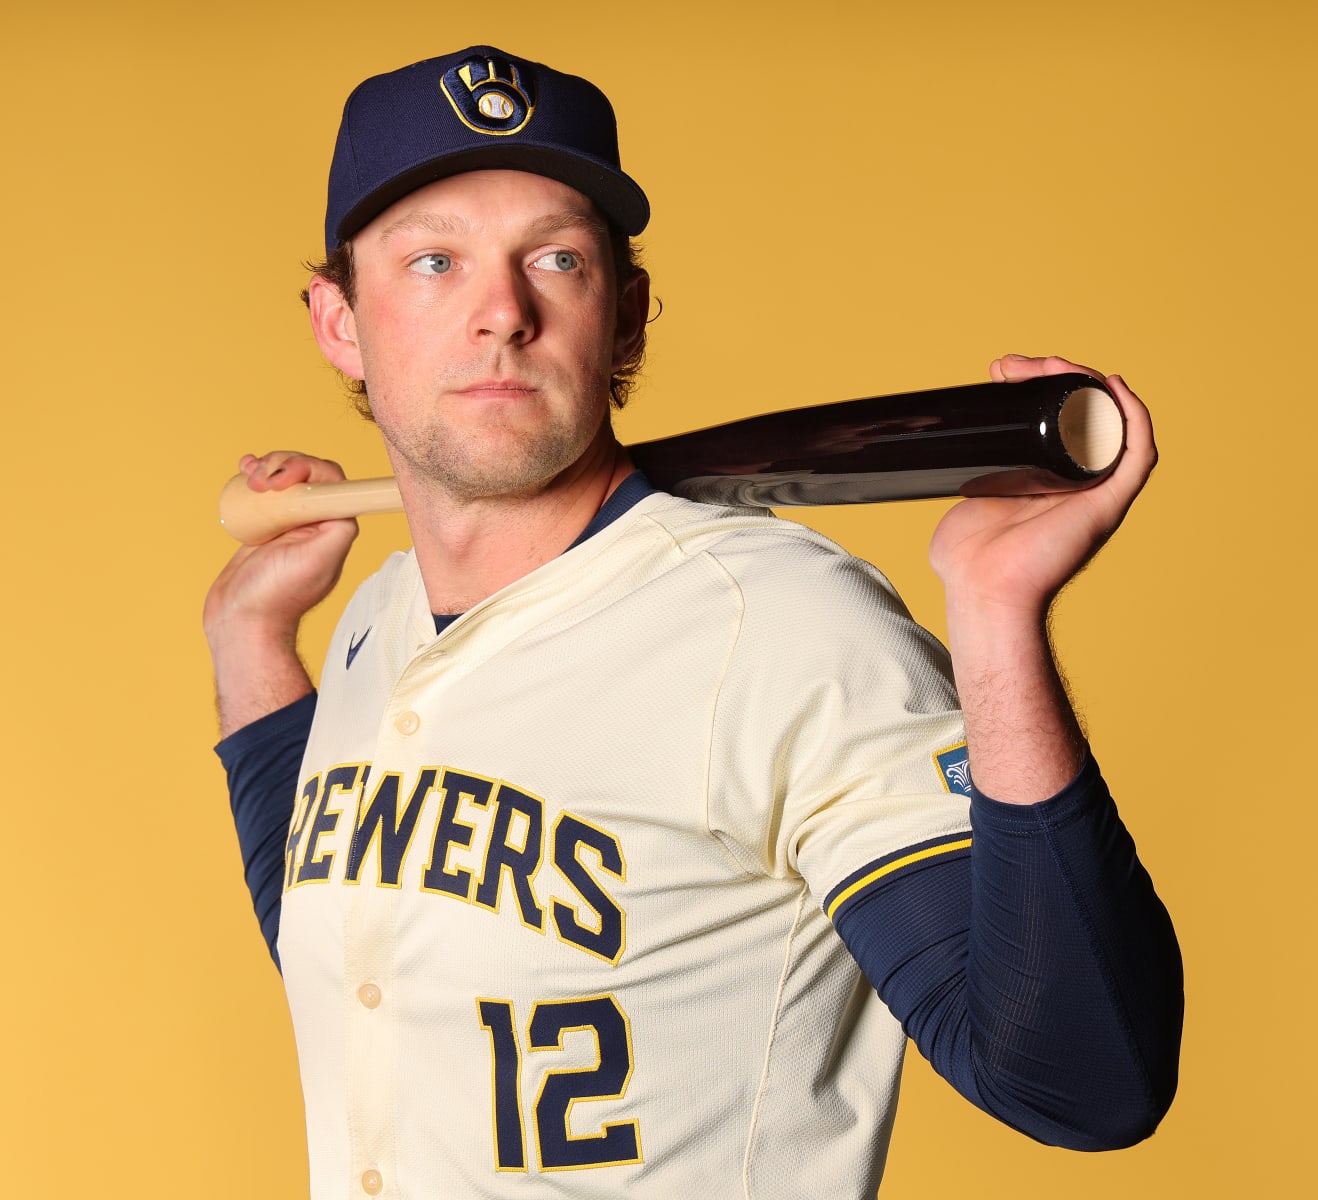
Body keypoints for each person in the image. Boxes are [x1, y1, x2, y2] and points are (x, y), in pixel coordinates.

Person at [203, 43, 1182, 1200]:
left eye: (556, 258)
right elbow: (359, 953)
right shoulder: (378, 614)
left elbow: (1083, 1083)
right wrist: (254, 652)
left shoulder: (777, 625)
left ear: (624, 316)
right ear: (339, 322)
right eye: (433, 262)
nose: (501, 314)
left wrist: (995, 615)